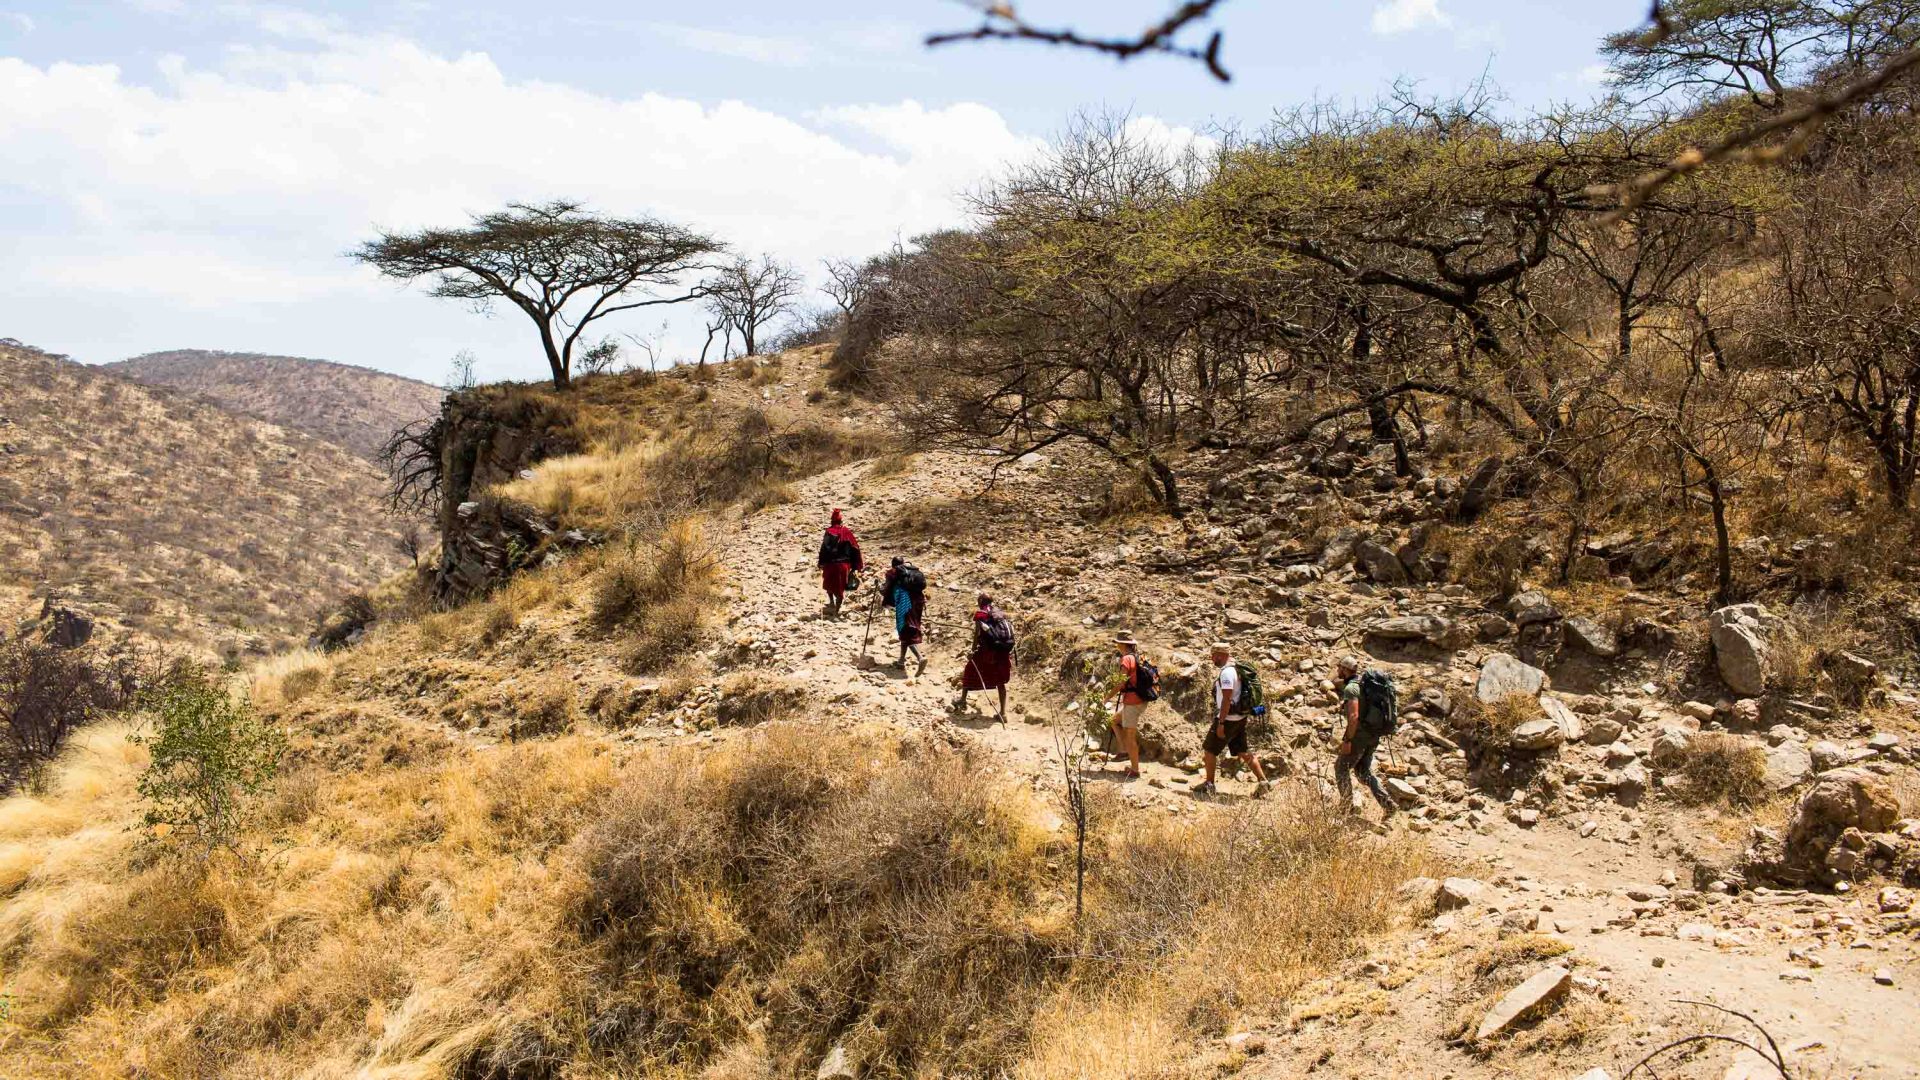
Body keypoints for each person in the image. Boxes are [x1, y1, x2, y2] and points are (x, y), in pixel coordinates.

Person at [1199, 643, 1270, 798]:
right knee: (1242, 751)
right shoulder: (1237, 668)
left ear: (1220, 654)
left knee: (1209, 750)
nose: (1212, 659)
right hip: (1240, 717)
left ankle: (1209, 785)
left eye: (1213, 655)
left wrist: (1221, 723)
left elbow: (1227, 699)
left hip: (1229, 719)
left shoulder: (1227, 673)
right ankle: (1263, 782)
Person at [1334, 654, 1397, 819]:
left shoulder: (1351, 689)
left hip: (1359, 736)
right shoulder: (1364, 685)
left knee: (1341, 768)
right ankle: (1388, 804)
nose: (1337, 670)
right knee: (1363, 772)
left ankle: (1346, 806)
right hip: (1373, 735)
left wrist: (1347, 741)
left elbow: (1353, 717)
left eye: (1339, 667)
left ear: (1345, 669)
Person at [956, 592, 1014, 722]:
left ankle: (962, 700)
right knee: (1000, 682)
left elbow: (977, 635)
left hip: (986, 652)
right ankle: (1003, 713)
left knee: (970, 669)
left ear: (981, 601)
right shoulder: (1000, 614)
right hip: (1002, 652)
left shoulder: (981, 615)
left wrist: (972, 651)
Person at [1107, 631, 1145, 779]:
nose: (1116, 645)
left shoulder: (1126, 659)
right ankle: (1123, 751)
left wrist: (1107, 697)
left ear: (1123, 644)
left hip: (1132, 701)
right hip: (1139, 699)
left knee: (1130, 736)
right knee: (1114, 720)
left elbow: (1121, 682)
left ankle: (1135, 770)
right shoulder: (1138, 657)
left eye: (1118, 643)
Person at [879, 556, 927, 671]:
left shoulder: (893, 573)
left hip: (904, 604)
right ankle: (901, 661)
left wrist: (881, 589)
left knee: (905, 629)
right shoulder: (914, 571)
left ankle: (920, 658)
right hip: (918, 602)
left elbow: (887, 589)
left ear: (893, 564)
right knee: (907, 629)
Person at [816, 508, 863, 617]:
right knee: (840, 587)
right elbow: (855, 548)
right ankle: (836, 611)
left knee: (828, 583)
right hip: (843, 565)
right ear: (841, 521)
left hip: (829, 564)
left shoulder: (828, 532)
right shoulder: (846, 531)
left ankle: (831, 602)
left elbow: (824, 549)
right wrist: (856, 565)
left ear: (832, 521)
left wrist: (821, 562)